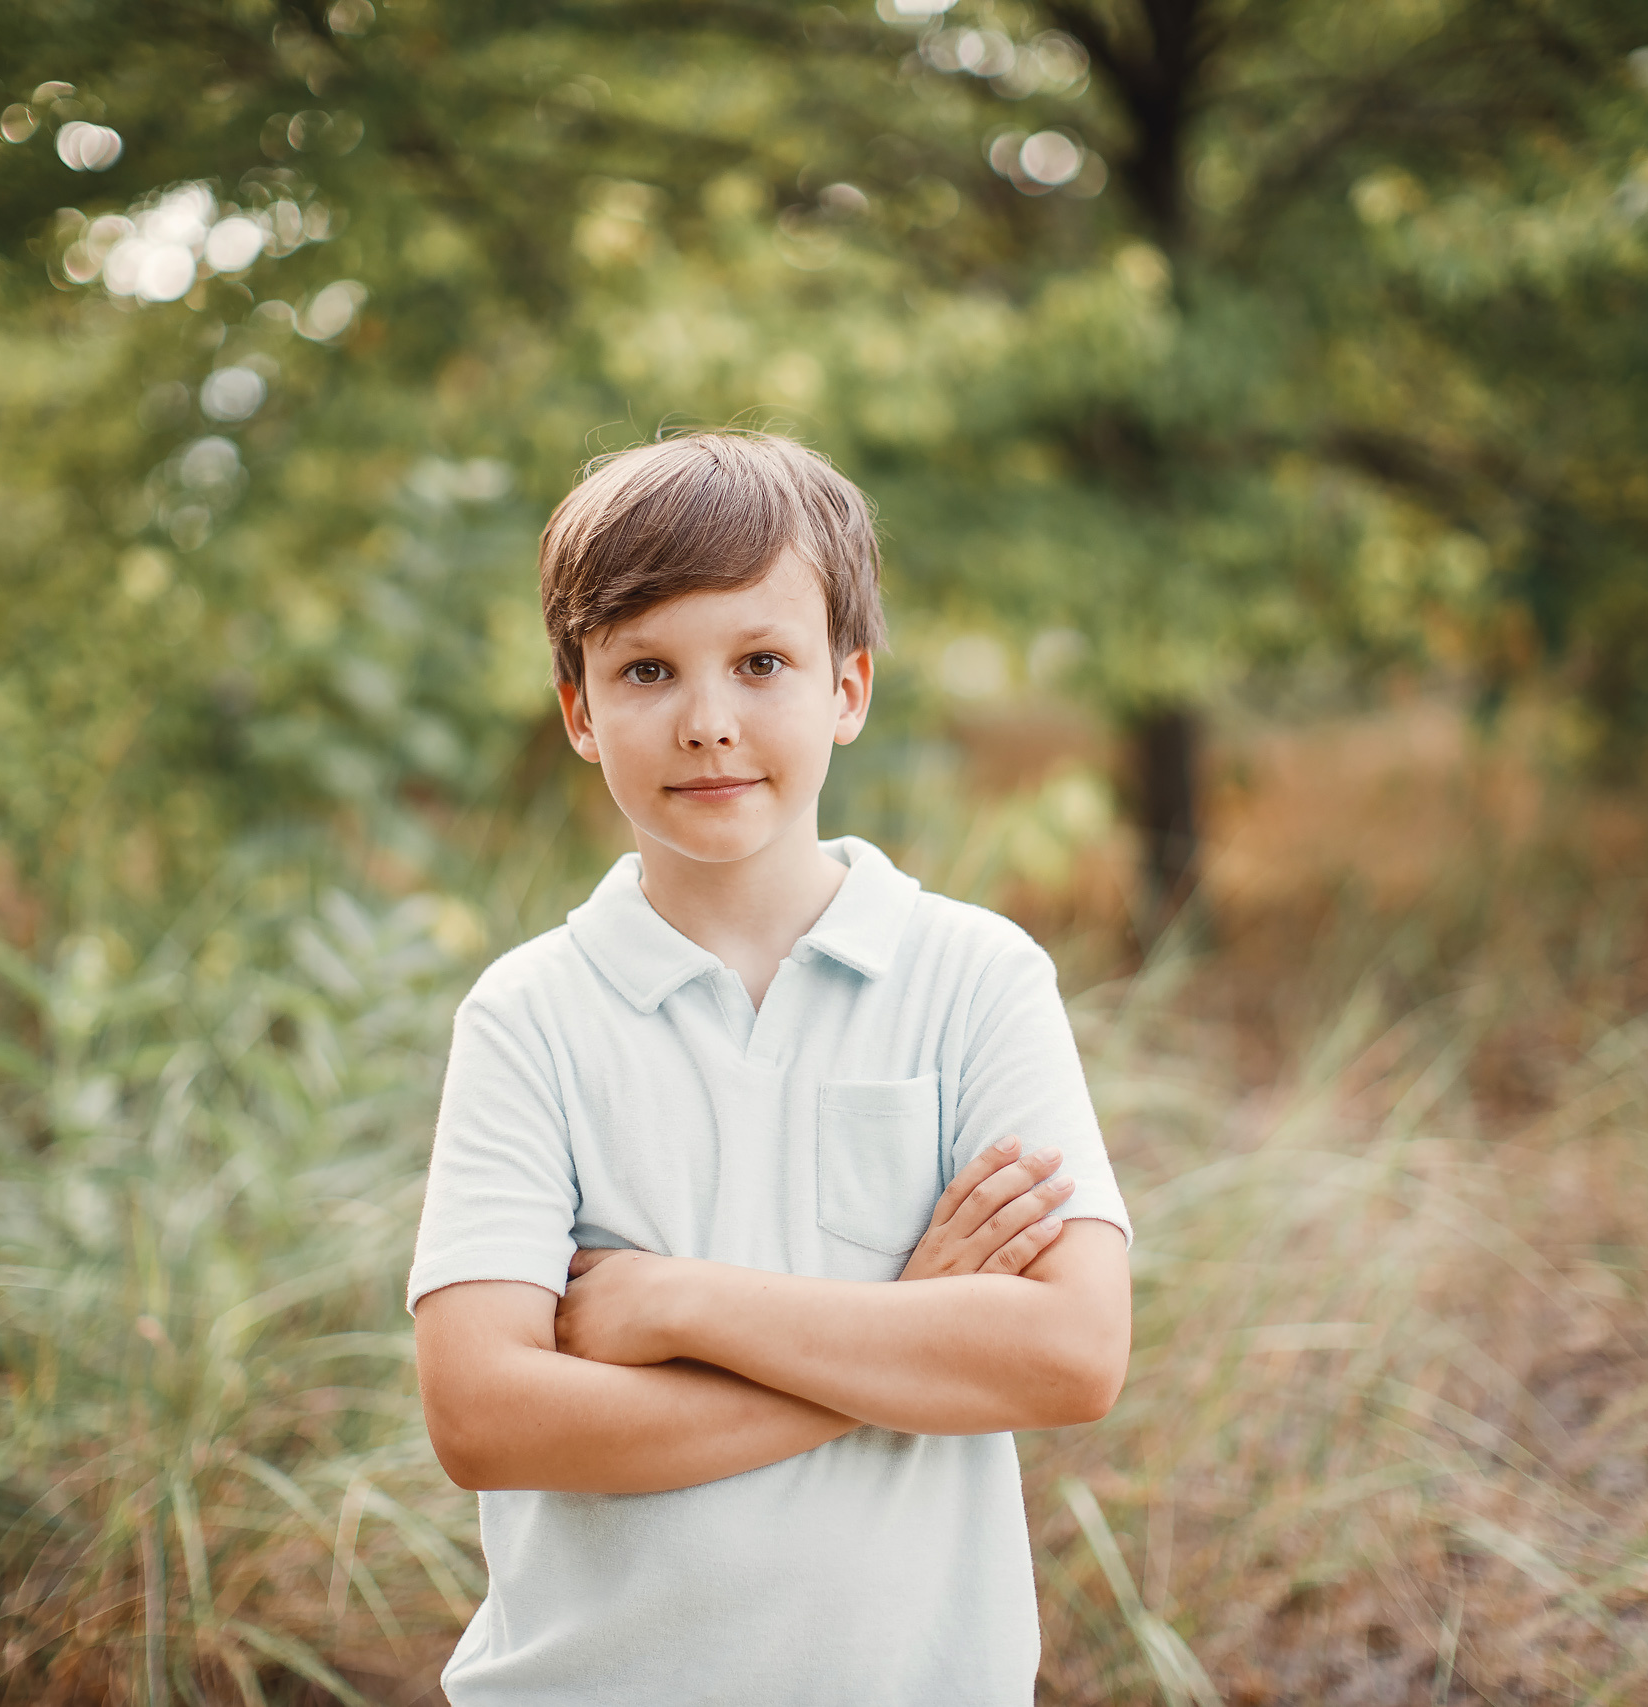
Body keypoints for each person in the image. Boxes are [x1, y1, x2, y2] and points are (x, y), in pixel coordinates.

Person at [407, 431, 1134, 1706]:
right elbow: (481, 1417)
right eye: (646, 670)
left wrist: (681, 1304)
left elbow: (1073, 1353)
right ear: (580, 711)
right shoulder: (527, 1015)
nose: (707, 722)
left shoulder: (975, 977)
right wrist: (906, 1336)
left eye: (761, 662)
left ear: (846, 688)